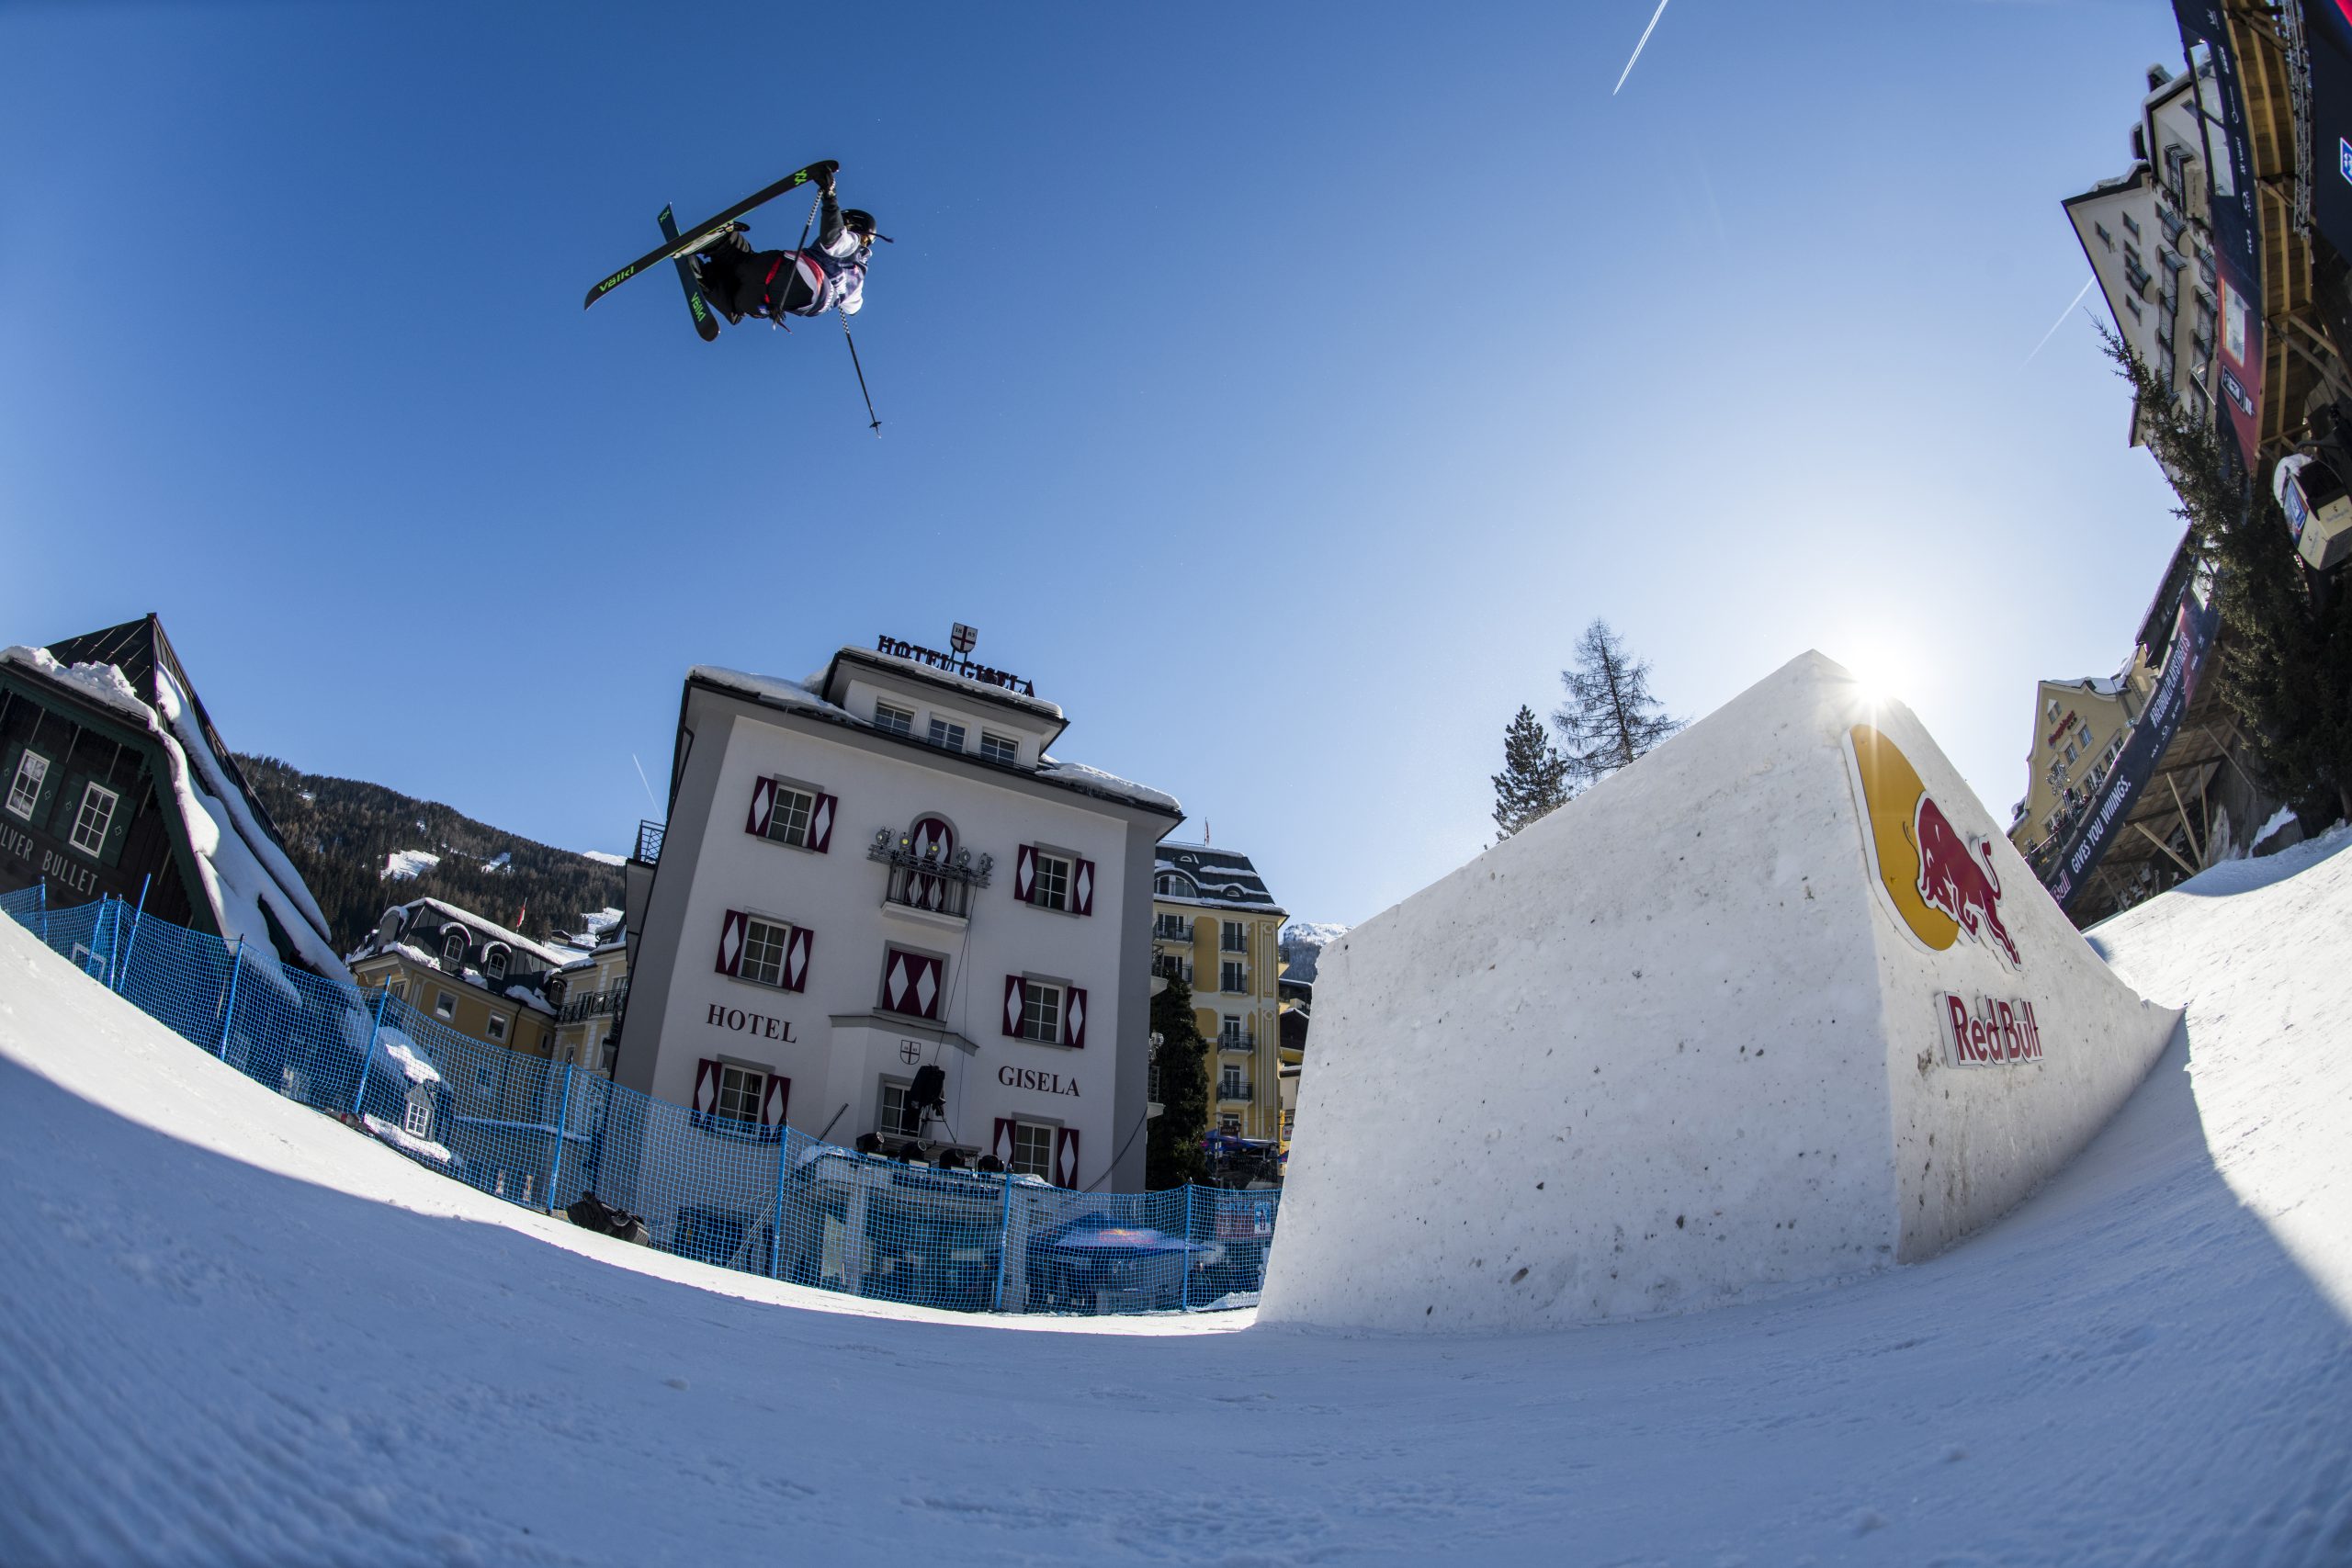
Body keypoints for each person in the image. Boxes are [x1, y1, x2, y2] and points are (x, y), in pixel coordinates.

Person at [693, 165, 880, 326]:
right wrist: (840, 295)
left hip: (785, 274)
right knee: (736, 303)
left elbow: (833, 238)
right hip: (772, 302)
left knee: (740, 261)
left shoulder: (852, 243)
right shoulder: (858, 280)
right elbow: (854, 309)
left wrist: (830, 196)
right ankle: (703, 278)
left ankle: (718, 242)